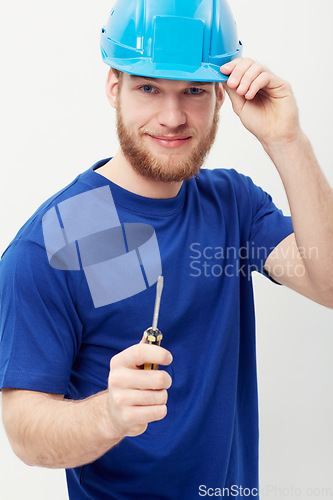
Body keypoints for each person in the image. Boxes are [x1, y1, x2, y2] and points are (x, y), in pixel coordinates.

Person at [1, 1, 332, 499]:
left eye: (194, 91)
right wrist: (108, 413)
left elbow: (327, 282)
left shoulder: (232, 206)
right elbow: (25, 433)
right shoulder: (58, 239)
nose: (173, 117)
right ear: (115, 88)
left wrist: (287, 139)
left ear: (221, 96)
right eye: (149, 88)